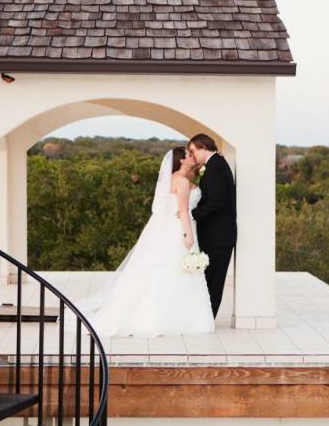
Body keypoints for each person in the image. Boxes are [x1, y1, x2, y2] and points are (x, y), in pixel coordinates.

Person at [72, 147, 215, 337]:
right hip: (177, 229)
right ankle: (173, 317)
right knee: (174, 270)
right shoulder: (180, 181)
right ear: (181, 160)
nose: (192, 157)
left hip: (166, 228)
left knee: (168, 271)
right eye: (189, 155)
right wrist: (189, 236)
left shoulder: (175, 179)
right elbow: (182, 211)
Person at [188, 133, 237, 318]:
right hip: (216, 235)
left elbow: (216, 201)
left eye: (193, 151)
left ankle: (207, 319)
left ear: (202, 147)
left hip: (218, 236)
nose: (193, 155)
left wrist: (193, 214)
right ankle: (205, 318)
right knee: (210, 280)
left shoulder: (215, 167)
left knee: (214, 282)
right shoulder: (215, 164)